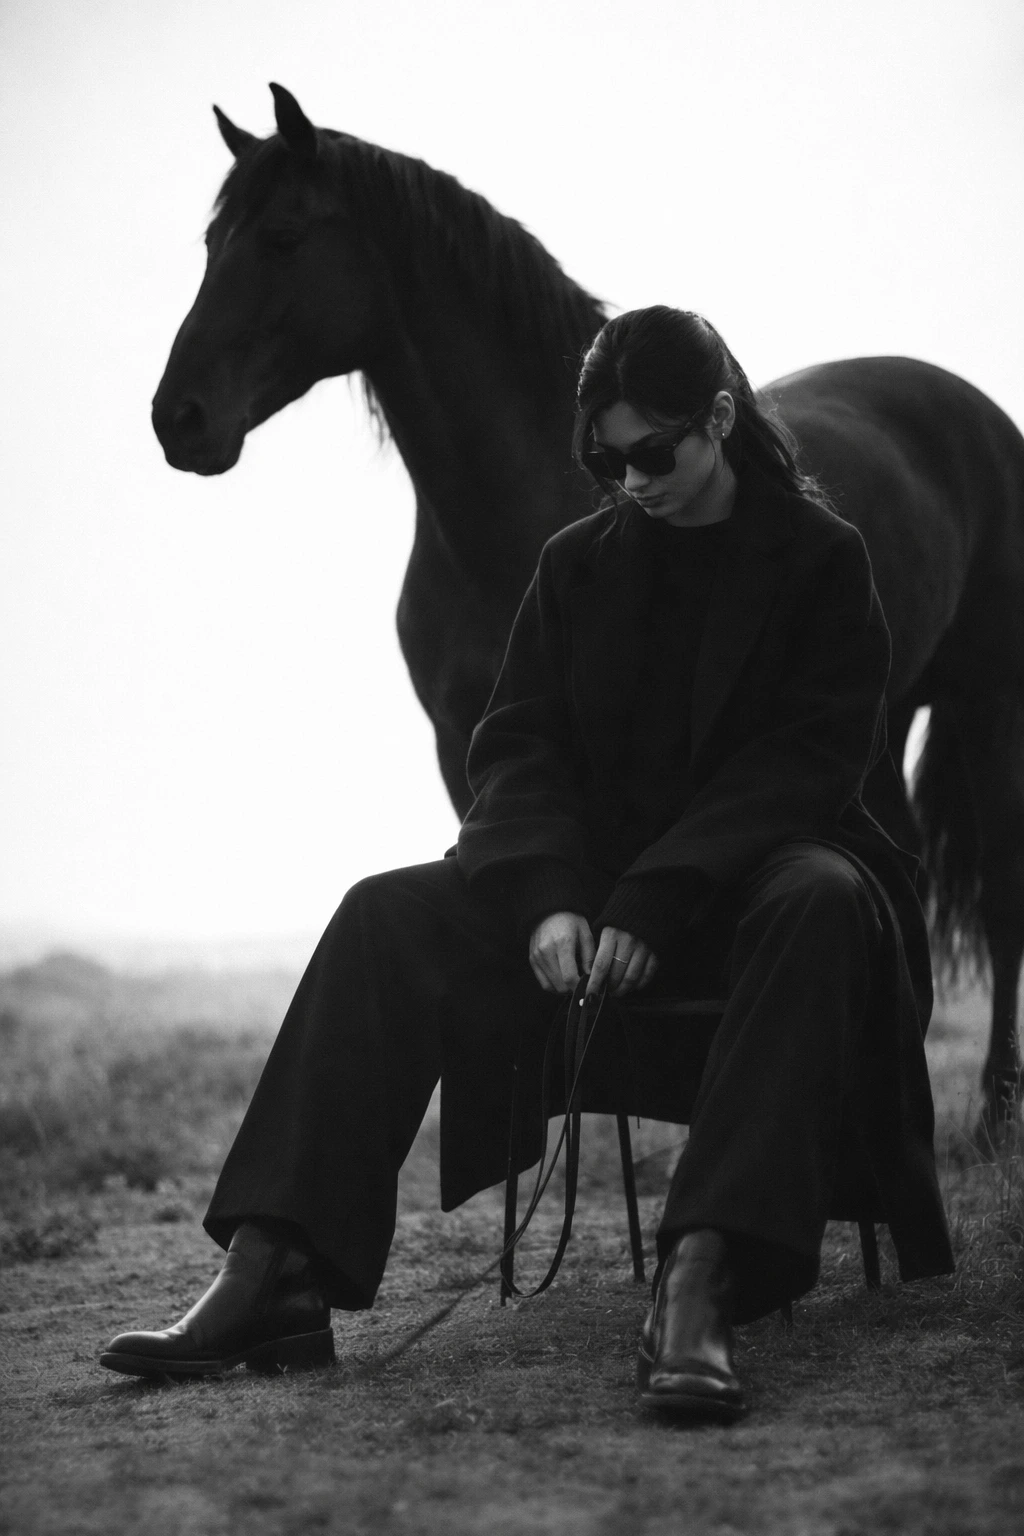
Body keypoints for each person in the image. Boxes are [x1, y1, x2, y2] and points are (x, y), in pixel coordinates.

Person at [100, 307, 953, 1419]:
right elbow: (517, 749)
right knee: (383, 914)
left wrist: (657, 895)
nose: (632, 481)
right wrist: (547, 899)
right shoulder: (577, 564)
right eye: (607, 459)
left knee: (824, 899)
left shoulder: (823, 561)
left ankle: (702, 1281)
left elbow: (806, 764)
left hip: (770, 883)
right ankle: (275, 1272)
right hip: (593, 902)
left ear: (720, 419)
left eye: (655, 453)